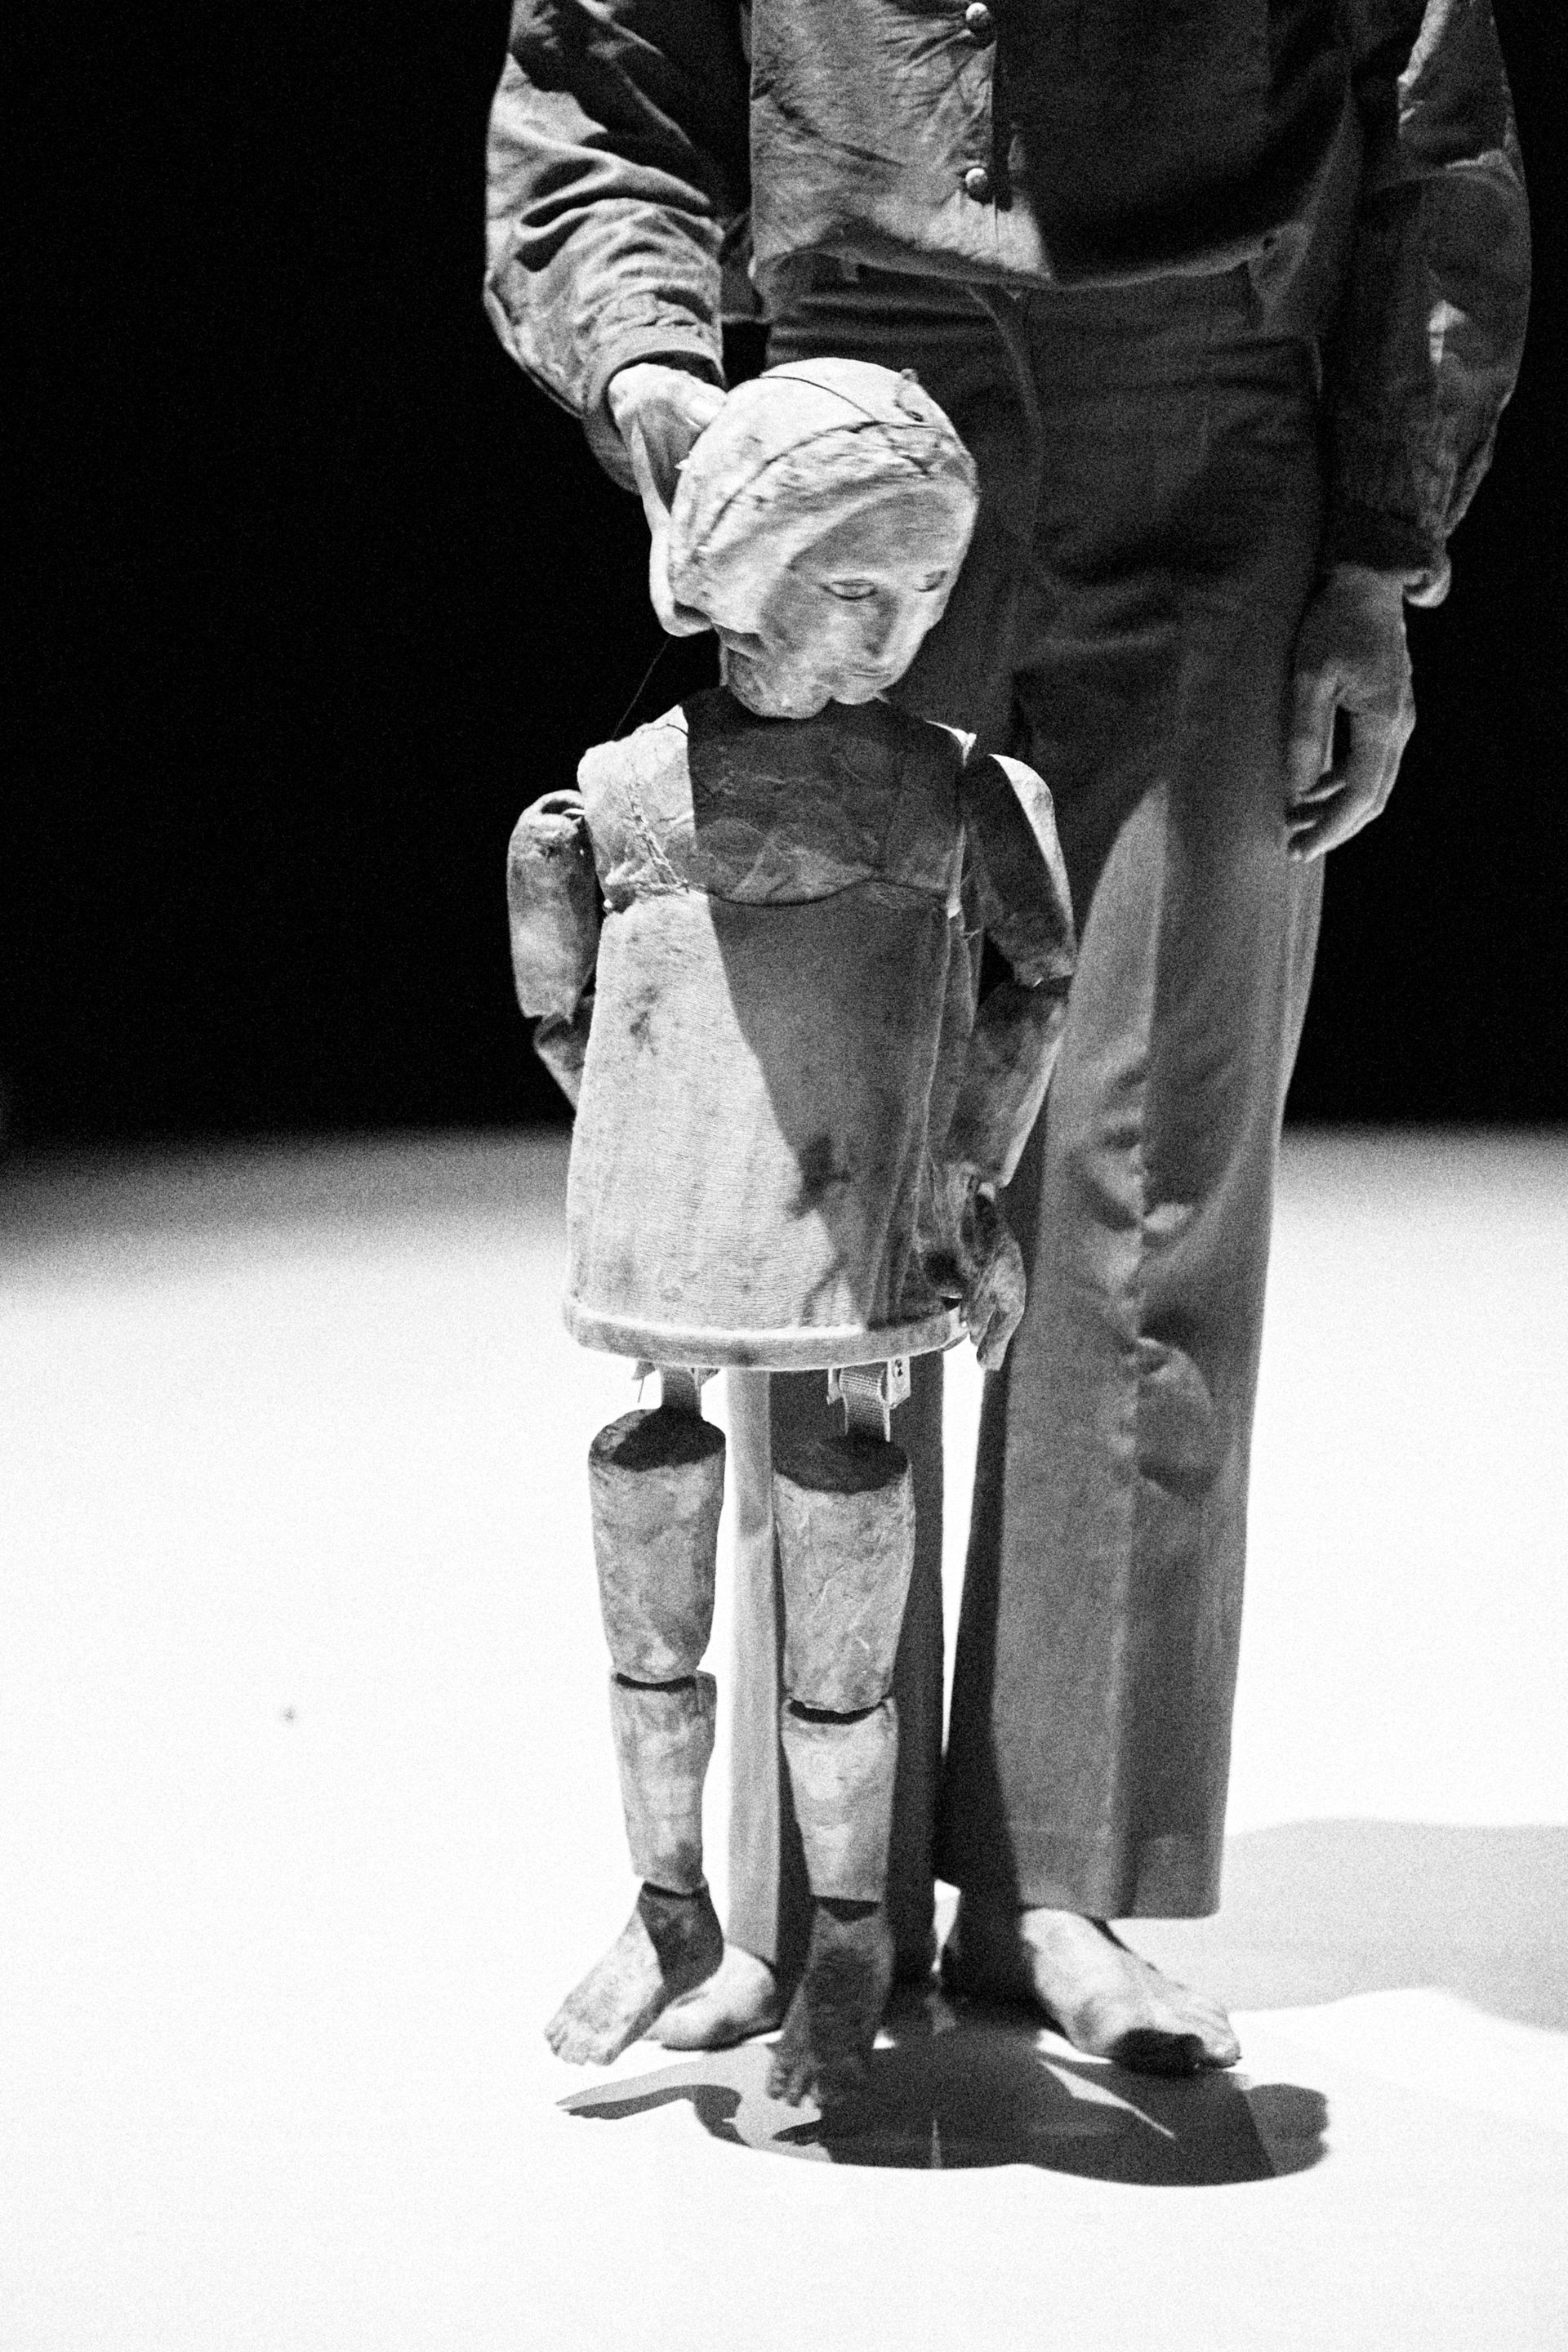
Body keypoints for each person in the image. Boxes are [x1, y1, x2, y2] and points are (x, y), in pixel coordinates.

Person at [484, 0, 1530, 2075]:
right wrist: (656, 370)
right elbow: (599, 86)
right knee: (817, 1180)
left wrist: (1378, 554)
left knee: (1148, 1168)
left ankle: (1062, 1871)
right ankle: (802, 1885)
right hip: (858, 420)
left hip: (1215, 417)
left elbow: (1432, 126)